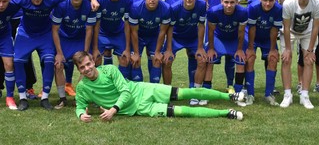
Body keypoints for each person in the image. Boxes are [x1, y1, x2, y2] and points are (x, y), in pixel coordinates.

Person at [73, 51, 245, 122]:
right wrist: (81, 114)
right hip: (141, 107)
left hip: (143, 89)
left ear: (93, 61)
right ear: (78, 69)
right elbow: (80, 105)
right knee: (182, 111)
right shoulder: (82, 88)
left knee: (186, 92)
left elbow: (124, 90)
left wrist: (113, 110)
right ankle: (225, 113)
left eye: (88, 64)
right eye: (82, 67)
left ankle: (229, 96)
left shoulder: (109, 69)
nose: (87, 69)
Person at [11, 0, 69, 111]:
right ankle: (22, 98)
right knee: (18, 61)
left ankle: (44, 98)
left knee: (49, 61)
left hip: (45, 35)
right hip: (26, 34)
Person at [198, 0, 249, 94]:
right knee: (210, 55)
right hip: (214, 19)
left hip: (232, 18)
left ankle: (230, 85)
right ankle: (206, 89)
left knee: (232, 57)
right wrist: (204, 3)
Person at [37, 0, 79, 97]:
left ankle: (68, 83)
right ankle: (45, 86)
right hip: (47, 20)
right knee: (48, 55)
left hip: (66, 21)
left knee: (68, 54)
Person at [51, 0, 97, 109]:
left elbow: (89, 30)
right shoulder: (61, 6)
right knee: (58, 65)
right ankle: (62, 99)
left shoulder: (89, 6)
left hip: (80, 38)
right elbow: (54, 30)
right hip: (64, 38)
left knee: (86, 66)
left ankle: (81, 98)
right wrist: (59, 53)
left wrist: (86, 52)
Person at [0, 0, 37, 100]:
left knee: (25, 53)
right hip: (3, 19)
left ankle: (28, 87)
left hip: (22, 20)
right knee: (3, 55)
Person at [162, 0, 207, 106]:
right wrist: (169, 49)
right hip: (176, 37)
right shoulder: (174, 8)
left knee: (202, 60)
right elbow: (169, 28)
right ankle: (167, 92)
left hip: (192, 38)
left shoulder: (202, 5)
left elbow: (201, 25)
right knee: (167, 60)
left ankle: (195, 93)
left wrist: (200, 47)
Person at [203, 0, 248, 106]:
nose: (229, 5)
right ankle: (206, 92)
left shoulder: (242, 12)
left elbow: (241, 32)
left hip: (234, 39)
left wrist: (239, 49)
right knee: (210, 60)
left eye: (232, 2)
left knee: (240, 60)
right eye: (226, 2)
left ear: (237, 2)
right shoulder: (213, 11)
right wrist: (211, 48)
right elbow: (211, 32)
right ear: (221, 1)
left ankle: (238, 95)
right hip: (219, 38)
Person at [280, 0, 319, 109]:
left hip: (307, 32)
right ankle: (287, 95)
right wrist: (287, 49)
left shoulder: (317, 3)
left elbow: (315, 27)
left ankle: (305, 95)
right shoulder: (288, 3)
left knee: (308, 60)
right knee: (286, 59)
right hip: (290, 32)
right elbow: (286, 27)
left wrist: (309, 50)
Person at [245, 0, 282, 106]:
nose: (267, 3)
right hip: (253, 37)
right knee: (250, 59)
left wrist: (272, 49)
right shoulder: (253, 7)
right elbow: (252, 28)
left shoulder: (278, 9)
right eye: (265, 0)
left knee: (272, 59)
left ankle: (268, 94)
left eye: (271, 0)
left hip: (268, 38)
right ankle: (250, 94)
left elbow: (274, 30)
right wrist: (250, 48)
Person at [291, 0, 319, 95]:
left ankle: (318, 84)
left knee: (318, 53)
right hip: (307, 21)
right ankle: (301, 83)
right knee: (303, 55)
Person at [92, 0, 132, 78]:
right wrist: (95, 48)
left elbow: (128, 24)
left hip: (118, 32)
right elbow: (96, 25)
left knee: (125, 59)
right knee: (96, 59)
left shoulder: (127, 0)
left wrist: (128, 49)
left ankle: (123, 86)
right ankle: (103, 85)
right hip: (102, 33)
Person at [129, 0, 170, 83]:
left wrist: (157, 52)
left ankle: (153, 90)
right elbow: (133, 32)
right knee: (135, 60)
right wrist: (136, 53)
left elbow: (163, 31)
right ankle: (139, 89)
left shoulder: (166, 8)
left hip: (154, 36)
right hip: (138, 36)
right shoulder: (135, 7)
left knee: (156, 60)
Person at [0, 0, 21, 109]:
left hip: (4, 37)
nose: (1, 5)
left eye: (4, 1)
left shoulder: (14, 4)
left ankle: (10, 97)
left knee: (9, 64)